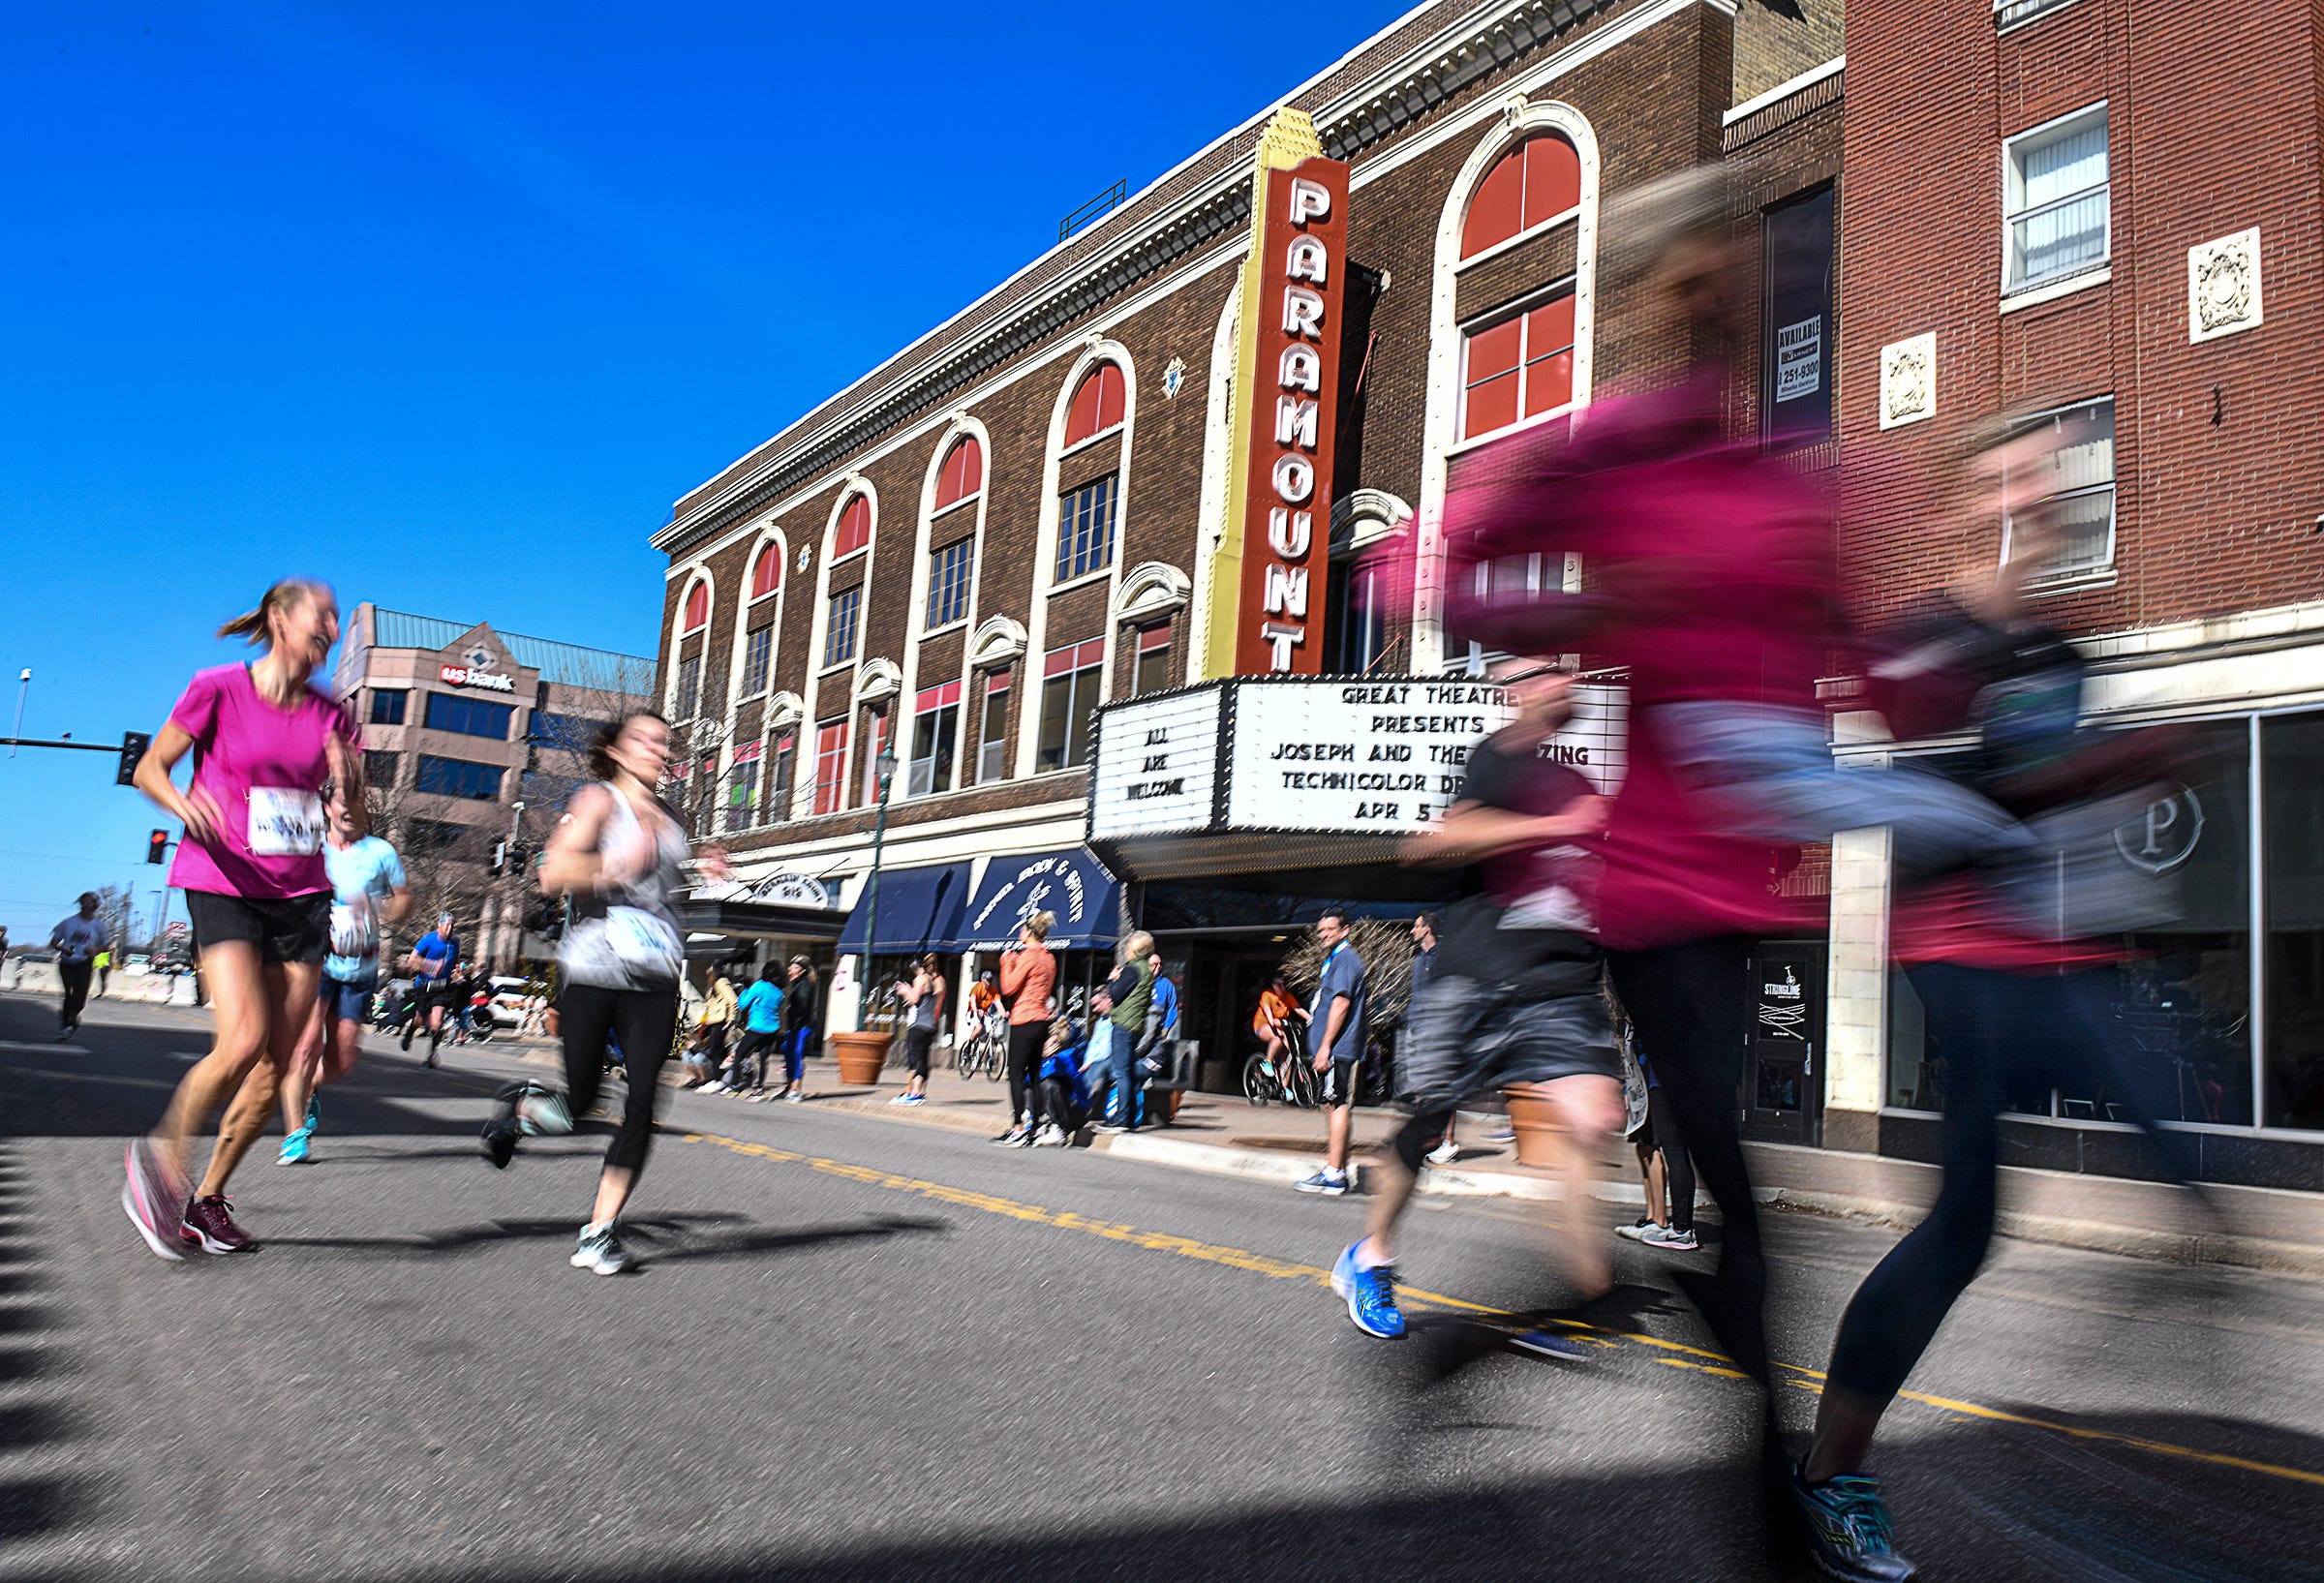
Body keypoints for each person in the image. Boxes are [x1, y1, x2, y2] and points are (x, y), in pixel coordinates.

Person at [1330, 664, 1626, 1338]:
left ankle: (1580, 1296)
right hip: (1475, 977)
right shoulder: (1499, 758)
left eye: (1568, 668)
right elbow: (1434, 842)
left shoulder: (1580, 782)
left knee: (1590, 1121)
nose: (1566, 679)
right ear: (1514, 691)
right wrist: (1552, 823)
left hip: (1560, 983)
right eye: (1548, 672)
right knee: (1425, 1125)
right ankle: (1370, 1257)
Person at [121, 577, 361, 1258]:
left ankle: (208, 1199)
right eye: (322, 617)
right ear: (282, 621)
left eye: (337, 621)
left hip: (299, 894)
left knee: (279, 1066)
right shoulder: (219, 687)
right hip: (222, 878)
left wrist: (348, 786)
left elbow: (355, 821)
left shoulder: (333, 715)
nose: (331, 630)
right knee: (243, 1037)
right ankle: (158, 1162)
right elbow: (150, 768)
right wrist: (183, 803)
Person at [482, 710, 729, 1275]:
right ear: (616, 751)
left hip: (655, 974)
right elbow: (552, 872)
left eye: (665, 742)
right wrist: (614, 865)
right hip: (594, 969)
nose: (657, 749)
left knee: (643, 1104)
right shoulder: (596, 801)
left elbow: (663, 887)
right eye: (644, 740)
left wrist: (703, 865)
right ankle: (519, 1111)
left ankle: (599, 1231)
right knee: (581, 1105)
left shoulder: (675, 817)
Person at [276, 779, 410, 1165]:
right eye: (340, 802)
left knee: (340, 1062)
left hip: (360, 967)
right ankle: (294, 1133)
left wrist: (380, 910)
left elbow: (405, 900)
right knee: (303, 1048)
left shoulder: (380, 852)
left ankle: (310, 1090)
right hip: (316, 962)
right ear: (327, 808)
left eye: (355, 802)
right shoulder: (311, 847)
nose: (348, 809)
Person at [1294, 911, 1369, 1196]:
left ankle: (1334, 1174)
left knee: (1335, 1104)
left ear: (1345, 930)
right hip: (1334, 1048)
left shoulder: (1346, 960)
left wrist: (1325, 1046)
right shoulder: (1336, 960)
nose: (1324, 934)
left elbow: (1340, 1004)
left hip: (1337, 1049)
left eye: (1330, 929)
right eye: (1321, 929)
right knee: (1332, 1104)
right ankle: (1336, 1168)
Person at [1613, 1038, 1697, 1251]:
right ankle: (1677, 1228)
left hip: (1665, 1083)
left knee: (1675, 1154)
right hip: (1660, 1082)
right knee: (1672, 1153)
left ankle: (1682, 1231)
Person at [993, 912, 1057, 1146]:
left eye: (1022, 930)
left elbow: (1009, 987)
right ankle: (1037, 1127)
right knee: (1035, 1075)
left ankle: (1018, 1127)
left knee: (1016, 1076)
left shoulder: (1028, 956)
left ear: (1029, 932)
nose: (1019, 933)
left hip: (1024, 1019)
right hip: (1041, 1020)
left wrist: (1006, 962)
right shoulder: (1049, 958)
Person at [1406, 913, 1460, 1165]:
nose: (1412, 931)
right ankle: (1430, 1139)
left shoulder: (1443, 959)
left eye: (1416, 927)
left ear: (1427, 929)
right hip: (1419, 1030)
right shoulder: (1420, 960)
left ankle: (1448, 1142)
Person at [1089, 930, 1154, 1135]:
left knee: (1121, 1072)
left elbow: (1115, 996)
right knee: (1127, 1071)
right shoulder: (1146, 970)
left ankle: (1122, 1118)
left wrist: (1113, 979)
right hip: (1135, 1025)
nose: (1126, 950)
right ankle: (1128, 1117)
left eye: (1128, 947)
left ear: (1135, 949)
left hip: (1124, 1025)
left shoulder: (1132, 970)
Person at [400, 912, 461, 1067]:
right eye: (447, 925)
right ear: (439, 925)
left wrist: (457, 973)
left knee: (437, 1022)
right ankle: (409, 1034)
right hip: (424, 986)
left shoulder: (455, 942)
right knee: (419, 1019)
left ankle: (431, 1056)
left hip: (442, 987)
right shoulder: (428, 940)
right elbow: (412, 959)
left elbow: (455, 961)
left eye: (452, 925)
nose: (449, 928)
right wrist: (432, 967)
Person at [756, 956, 817, 1103]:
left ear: (801, 971)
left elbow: (802, 1009)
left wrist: (795, 1027)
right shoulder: (797, 984)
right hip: (795, 1025)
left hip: (802, 1026)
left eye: (794, 967)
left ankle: (796, 1089)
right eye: (791, 966)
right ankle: (789, 1086)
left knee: (796, 1054)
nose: (790, 969)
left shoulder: (804, 985)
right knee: (787, 1051)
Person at [49, 893, 106, 1038]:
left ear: (95, 905)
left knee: (80, 995)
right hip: (67, 961)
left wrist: (94, 950)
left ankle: (72, 1017)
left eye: (90, 903)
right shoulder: (68, 922)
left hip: (85, 962)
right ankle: (66, 1023)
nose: (86, 906)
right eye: (84, 902)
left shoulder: (98, 926)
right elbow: (54, 942)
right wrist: (63, 949)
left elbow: (106, 944)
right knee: (69, 993)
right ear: (80, 904)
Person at [892, 953, 941, 1107]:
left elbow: (914, 999)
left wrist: (904, 990)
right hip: (928, 1024)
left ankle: (915, 1093)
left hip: (919, 1024)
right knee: (922, 1058)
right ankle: (916, 1092)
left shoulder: (920, 978)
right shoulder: (930, 980)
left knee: (916, 1059)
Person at [732, 962, 785, 1097]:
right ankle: (759, 1088)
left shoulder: (759, 985)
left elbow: (742, 1005)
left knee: (739, 1054)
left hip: (757, 1027)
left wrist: (745, 990)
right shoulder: (780, 993)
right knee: (763, 1058)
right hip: (773, 1029)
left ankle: (735, 1083)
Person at [1036, 1017, 1091, 1142]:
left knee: (1048, 1084)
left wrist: (1043, 1057)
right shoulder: (1053, 1059)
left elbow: (1044, 1074)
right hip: (1066, 1106)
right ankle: (1035, 1122)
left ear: (1057, 1044)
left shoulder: (1067, 1056)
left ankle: (1059, 1129)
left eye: (1049, 1044)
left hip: (1076, 1112)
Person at [1251, 971, 1306, 1086]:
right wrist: (1275, 1022)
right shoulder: (1267, 995)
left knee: (1287, 1057)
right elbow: (1269, 1017)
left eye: (1284, 985)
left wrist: (1311, 1020)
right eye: (1279, 985)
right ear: (1274, 985)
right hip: (1263, 1026)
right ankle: (1267, 1062)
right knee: (1277, 1038)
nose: (1282, 988)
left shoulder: (1287, 997)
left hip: (1280, 1028)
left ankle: (1283, 1088)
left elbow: (1298, 1009)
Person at [693, 965, 739, 1091]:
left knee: (716, 1050)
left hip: (720, 1021)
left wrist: (730, 1019)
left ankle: (718, 1080)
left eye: (711, 967)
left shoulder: (721, 982)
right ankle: (715, 1079)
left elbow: (734, 1000)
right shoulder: (715, 984)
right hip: (713, 1020)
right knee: (714, 1050)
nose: (708, 970)